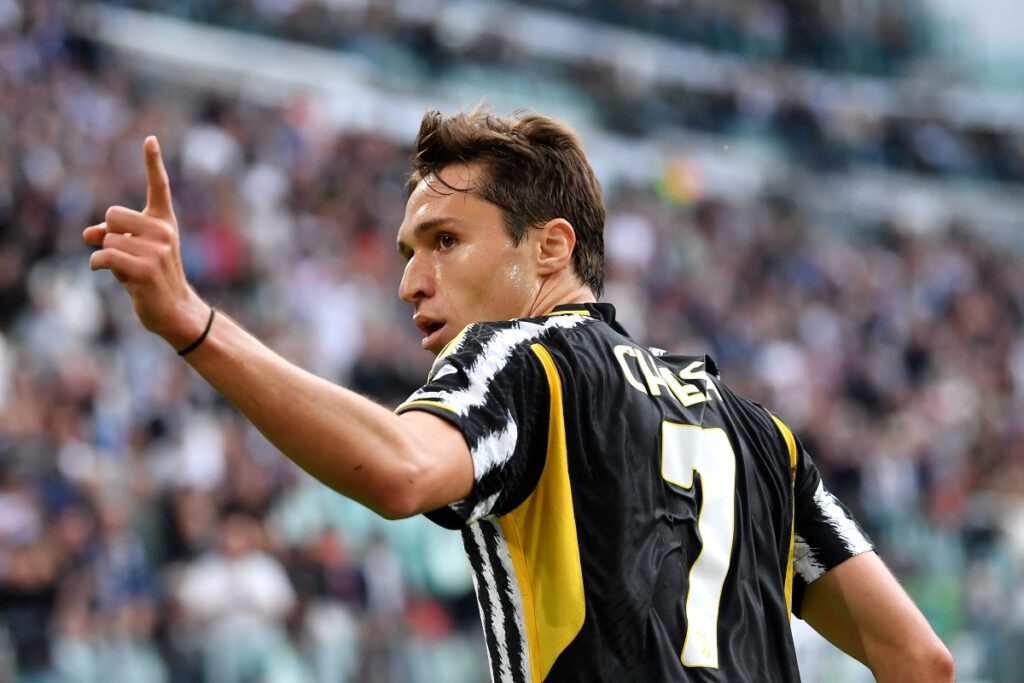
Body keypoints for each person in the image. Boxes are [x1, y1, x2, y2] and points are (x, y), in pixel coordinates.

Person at [83, 108, 954, 682]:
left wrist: (194, 323)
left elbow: (400, 468)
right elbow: (922, 660)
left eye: (445, 241)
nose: (410, 281)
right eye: (408, 252)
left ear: (549, 248)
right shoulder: (762, 433)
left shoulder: (525, 356)